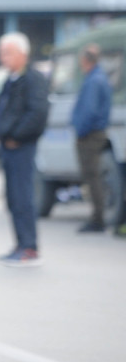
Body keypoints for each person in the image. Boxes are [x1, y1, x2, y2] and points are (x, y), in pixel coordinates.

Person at [0, 32, 50, 266]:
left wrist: (16, 136)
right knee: (13, 198)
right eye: (1, 53)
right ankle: (20, 244)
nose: (3, 58)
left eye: (7, 53)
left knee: (23, 197)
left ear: (22, 54)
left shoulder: (33, 79)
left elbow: (37, 113)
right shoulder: (10, 79)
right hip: (7, 148)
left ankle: (29, 247)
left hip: (22, 147)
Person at [71, 43, 112, 233]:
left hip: (90, 135)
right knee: (93, 176)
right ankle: (98, 217)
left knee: (92, 176)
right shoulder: (97, 77)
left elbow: (89, 111)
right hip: (93, 133)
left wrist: (80, 131)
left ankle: (98, 219)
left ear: (86, 61)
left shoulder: (94, 80)